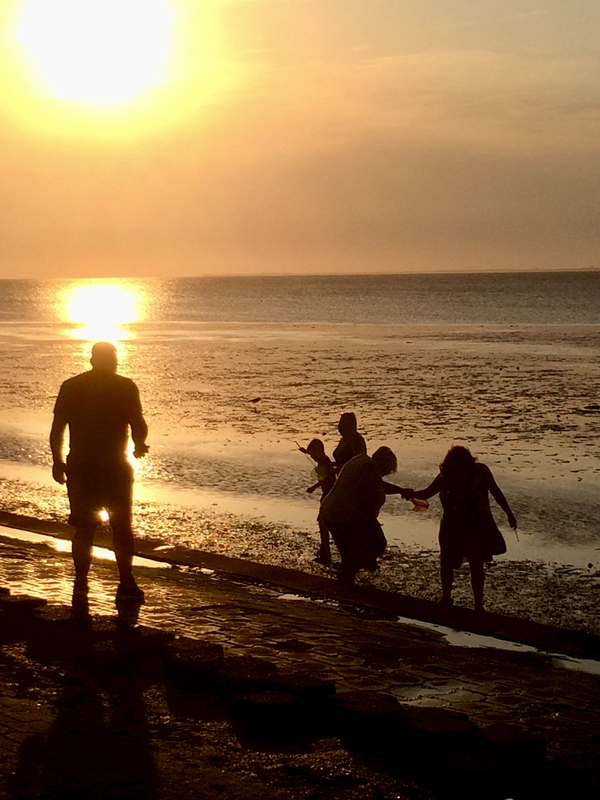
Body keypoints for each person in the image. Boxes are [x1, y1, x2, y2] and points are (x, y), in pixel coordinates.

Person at [50, 341, 149, 614]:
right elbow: (137, 422)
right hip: (113, 465)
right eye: (112, 359)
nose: (115, 363)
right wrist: (139, 444)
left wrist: (58, 461)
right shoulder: (125, 386)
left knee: (85, 527)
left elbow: (58, 428)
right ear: (100, 360)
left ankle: (81, 583)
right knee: (120, 526)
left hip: (81, 465)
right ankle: (125, 582)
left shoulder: (71, 386)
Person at [408, 446, 517, 613]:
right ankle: (476, 605)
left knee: (449, 563)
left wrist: (407, 493)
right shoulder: (478, 471)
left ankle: (448, 599)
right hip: (472, 526)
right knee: (474, 565)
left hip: (456, 526)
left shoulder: (449, 475)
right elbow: (496, 492)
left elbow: (426, 493)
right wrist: (509, 514)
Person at [320, 446, 412, 583]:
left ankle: (346, 583)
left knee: (348, 554)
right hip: (341, 514)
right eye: (386, 471)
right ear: (384, 464)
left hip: (329, 511)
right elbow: (367, 492)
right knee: (378, 544)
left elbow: (377, 485)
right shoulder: (370, 467)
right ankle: (353, 573)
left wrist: (400, 490)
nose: (385, 474)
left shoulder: (363, 461)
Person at [299, 438, 336, 565]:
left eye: (313, 454)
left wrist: (313, 488)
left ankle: (326, 552)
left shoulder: (324, 462)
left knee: (323, 522)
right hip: (327, 495)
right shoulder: (322, 460)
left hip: (329, 495)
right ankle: (323, 549)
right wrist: (305, 451)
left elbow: (326, 480)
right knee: (322, 522)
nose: (313, 458)